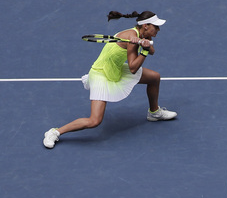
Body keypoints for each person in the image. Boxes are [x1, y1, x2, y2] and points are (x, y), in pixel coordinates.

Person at [43, 10, 177, 149]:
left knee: (154, 77)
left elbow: (152, 51)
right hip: (101, 74)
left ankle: (154, 113)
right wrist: (143, 50)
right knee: (94, 121)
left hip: (115, 69)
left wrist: (145, 43)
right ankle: (55, 132)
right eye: (156, 26)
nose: (158, 29)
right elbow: (132, 68)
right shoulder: (131, 38)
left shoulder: (139, 34)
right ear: (146, 26)